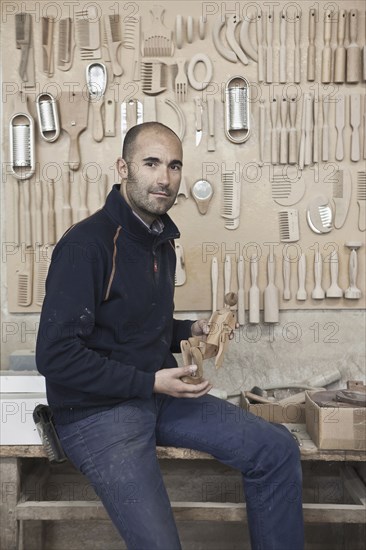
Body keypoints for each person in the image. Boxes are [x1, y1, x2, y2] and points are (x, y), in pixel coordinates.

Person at [36, 122, 304, 550]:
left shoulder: (159, 240)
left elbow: (133, 329)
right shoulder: (86, 246)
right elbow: (55, 356)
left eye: (175, 165)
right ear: (124, 167)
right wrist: (149, 381)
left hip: (153, 397)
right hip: (95, 415)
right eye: (152, 163)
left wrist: (189, 329)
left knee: (276, 449)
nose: (165, 178)